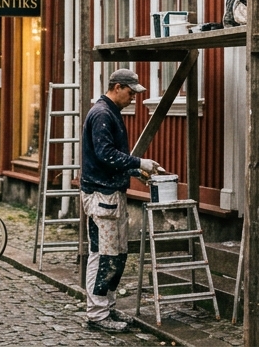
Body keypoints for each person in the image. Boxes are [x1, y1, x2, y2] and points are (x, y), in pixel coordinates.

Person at [81, 68, 160, 333]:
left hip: (110, 192)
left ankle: (105, 307)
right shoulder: (103, 114)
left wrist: (136, 171)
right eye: (130, 92)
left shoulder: (108, 111)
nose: (133, 98)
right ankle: (97, 313)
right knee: (104, 255)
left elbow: (110, 159)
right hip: (102, 195)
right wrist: (138, 162)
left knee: (114, 255)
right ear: (117, 87)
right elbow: (106, 155)